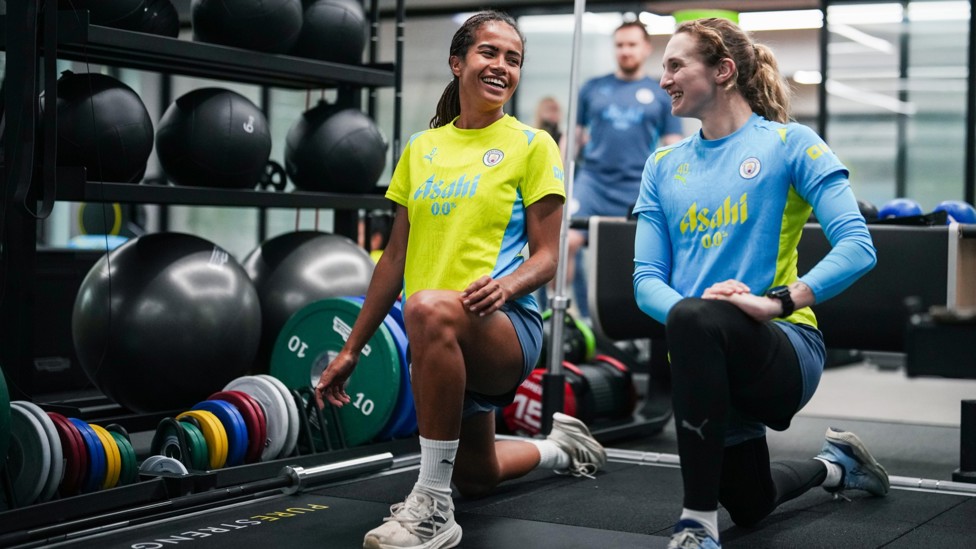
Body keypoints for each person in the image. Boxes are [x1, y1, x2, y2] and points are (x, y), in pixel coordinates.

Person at [314, 11, 606, 549]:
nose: (501, 66)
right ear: (458, 62)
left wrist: (509, 287)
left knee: (425, 307)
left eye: (512, 58)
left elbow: (546, 257)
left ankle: (432, 508)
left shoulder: (533, 144)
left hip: (502, 326)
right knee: (479, 474)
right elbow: (392, 260)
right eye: (488, 53)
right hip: (438, 338)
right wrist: (352, 349)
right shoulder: (421, 150)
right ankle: (562, 449)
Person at [631, 18, 888, 549]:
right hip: (704, 361)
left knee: (697, 319)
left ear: (723, 71)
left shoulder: (790, 144)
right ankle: (833, 466)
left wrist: (777, 302)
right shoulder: (662, 165)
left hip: (782, 347)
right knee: (750, 505)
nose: (663, 80)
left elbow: (858, 246)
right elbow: (645, 281)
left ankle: (695, 526)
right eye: (664, 67)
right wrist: (695, 312)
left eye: (676, 65)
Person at [566, 20, 685, 318]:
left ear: (645, 48)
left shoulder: (660, 92)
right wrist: (556, 173)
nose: (625, 51)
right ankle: (567, 321)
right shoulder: (593, 88)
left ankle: (632, 326)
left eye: (632, 44)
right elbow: (575, 136)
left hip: (637, 185)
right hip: (593, 181)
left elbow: (672, 144)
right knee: (566, 243)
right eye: (619, 45)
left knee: (637, 255)